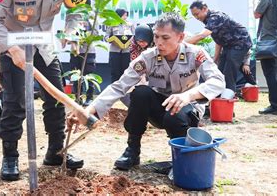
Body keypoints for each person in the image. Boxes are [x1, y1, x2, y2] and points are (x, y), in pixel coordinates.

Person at [67, 13, 225, 170]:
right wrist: (88, 111)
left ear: (180, 37)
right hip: (160, 108)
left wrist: (188, 95)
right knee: (140, 93)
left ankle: (182, 158)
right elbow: (119, 86)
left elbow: (218, 81)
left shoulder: (195, 53)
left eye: (165, 38)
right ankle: (132, 151)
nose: (159, 43)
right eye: (156, 37)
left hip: (187, 110)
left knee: (175, 115)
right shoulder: (148, 57)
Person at [0, 0, 87, 181]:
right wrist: (11, 48)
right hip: (15, 47)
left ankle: (56, 151)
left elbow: (78, 8)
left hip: (44, 45)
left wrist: (71, 32)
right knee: (16, 100)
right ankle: (10, 157)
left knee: (56, 97)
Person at [187, 0, 252, 93]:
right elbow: (219, 41)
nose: (196, 17)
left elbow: (201, 36)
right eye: (194, 16)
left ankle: (229, 96)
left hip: (240, 42)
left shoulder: (215, 17)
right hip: (229, 45)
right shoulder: (208, 21)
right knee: (219, 71)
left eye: (197, 14)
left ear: (204, 9)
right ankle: (219, 94)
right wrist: (215, 59)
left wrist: (182, 44)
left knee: (229, 70)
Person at [69, 21, 96, 106]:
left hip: (88, 51)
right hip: (75, 51)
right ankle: (78, 98)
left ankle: (89, 98)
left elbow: (95, 33)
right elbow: (68, 32)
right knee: (75, 74)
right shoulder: (74, 16)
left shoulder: (92, 18)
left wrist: (83, 36)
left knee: (89, 76)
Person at [106, 9, 135, 82]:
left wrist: (130, 41)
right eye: (124, 15)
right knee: (115, 72)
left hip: (126, 52)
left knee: (126, 72)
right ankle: (114, 91)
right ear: (118, 15)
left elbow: (134, 36)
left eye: (126, 15)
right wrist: (113, 40)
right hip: (115, 51)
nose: (125, 17)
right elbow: (106, 37)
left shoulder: (130, 24)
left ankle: (125, 91)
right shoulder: (111, 24)